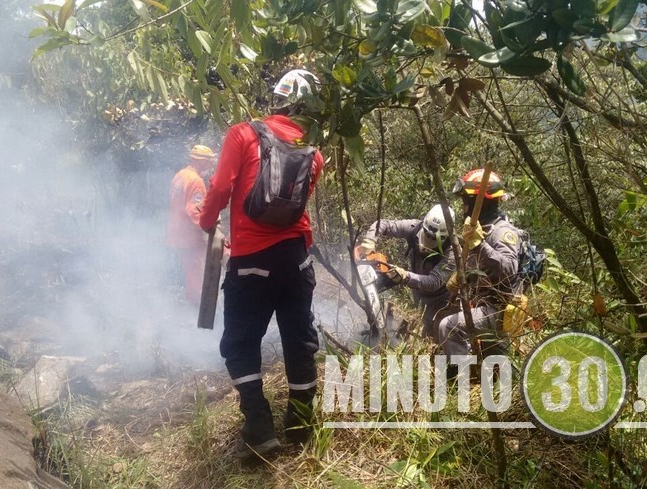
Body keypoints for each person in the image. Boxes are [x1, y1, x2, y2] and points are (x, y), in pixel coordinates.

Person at [198, 69, 324, 459]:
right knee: (299, 341)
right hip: (297, 260)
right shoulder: (314, 153)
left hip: (252, 260)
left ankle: (259, 429)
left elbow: (221, 187)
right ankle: (301, 426)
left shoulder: (243, 134)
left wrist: (207, 221)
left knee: (240, 344)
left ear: (277, 99)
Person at [439, 169, 524, 357]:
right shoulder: (480, 228)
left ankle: (460, 374)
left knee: (449, 327)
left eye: (466, 201)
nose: (463, 206)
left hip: (498, 309)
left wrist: (480, 244)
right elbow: (481, 268)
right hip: (482, 304)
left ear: (480, 202)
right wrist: (461, 277)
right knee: (496, 364)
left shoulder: (501, 231)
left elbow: (509, 269)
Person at [354, 205, 456, 339]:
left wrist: (405, 276)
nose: (430, 239)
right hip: (418, 290)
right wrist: (370, 240)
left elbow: (433, 282)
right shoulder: (413, 227)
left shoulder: (452, 252)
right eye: (427, 234)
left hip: (439, 299)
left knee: (436, 334)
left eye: (434, 237)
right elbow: (384, 224)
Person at [166, 145, 217, 305]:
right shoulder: (195, 181)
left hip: (177, 232)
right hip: (190, 237)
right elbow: (195, 211)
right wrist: (211, 229)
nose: (210, 165)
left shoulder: (180, 175)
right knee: (197, 273)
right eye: (208, 161)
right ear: (201, 161)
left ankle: (192, 303)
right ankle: (197, 307)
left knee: (189, 271)